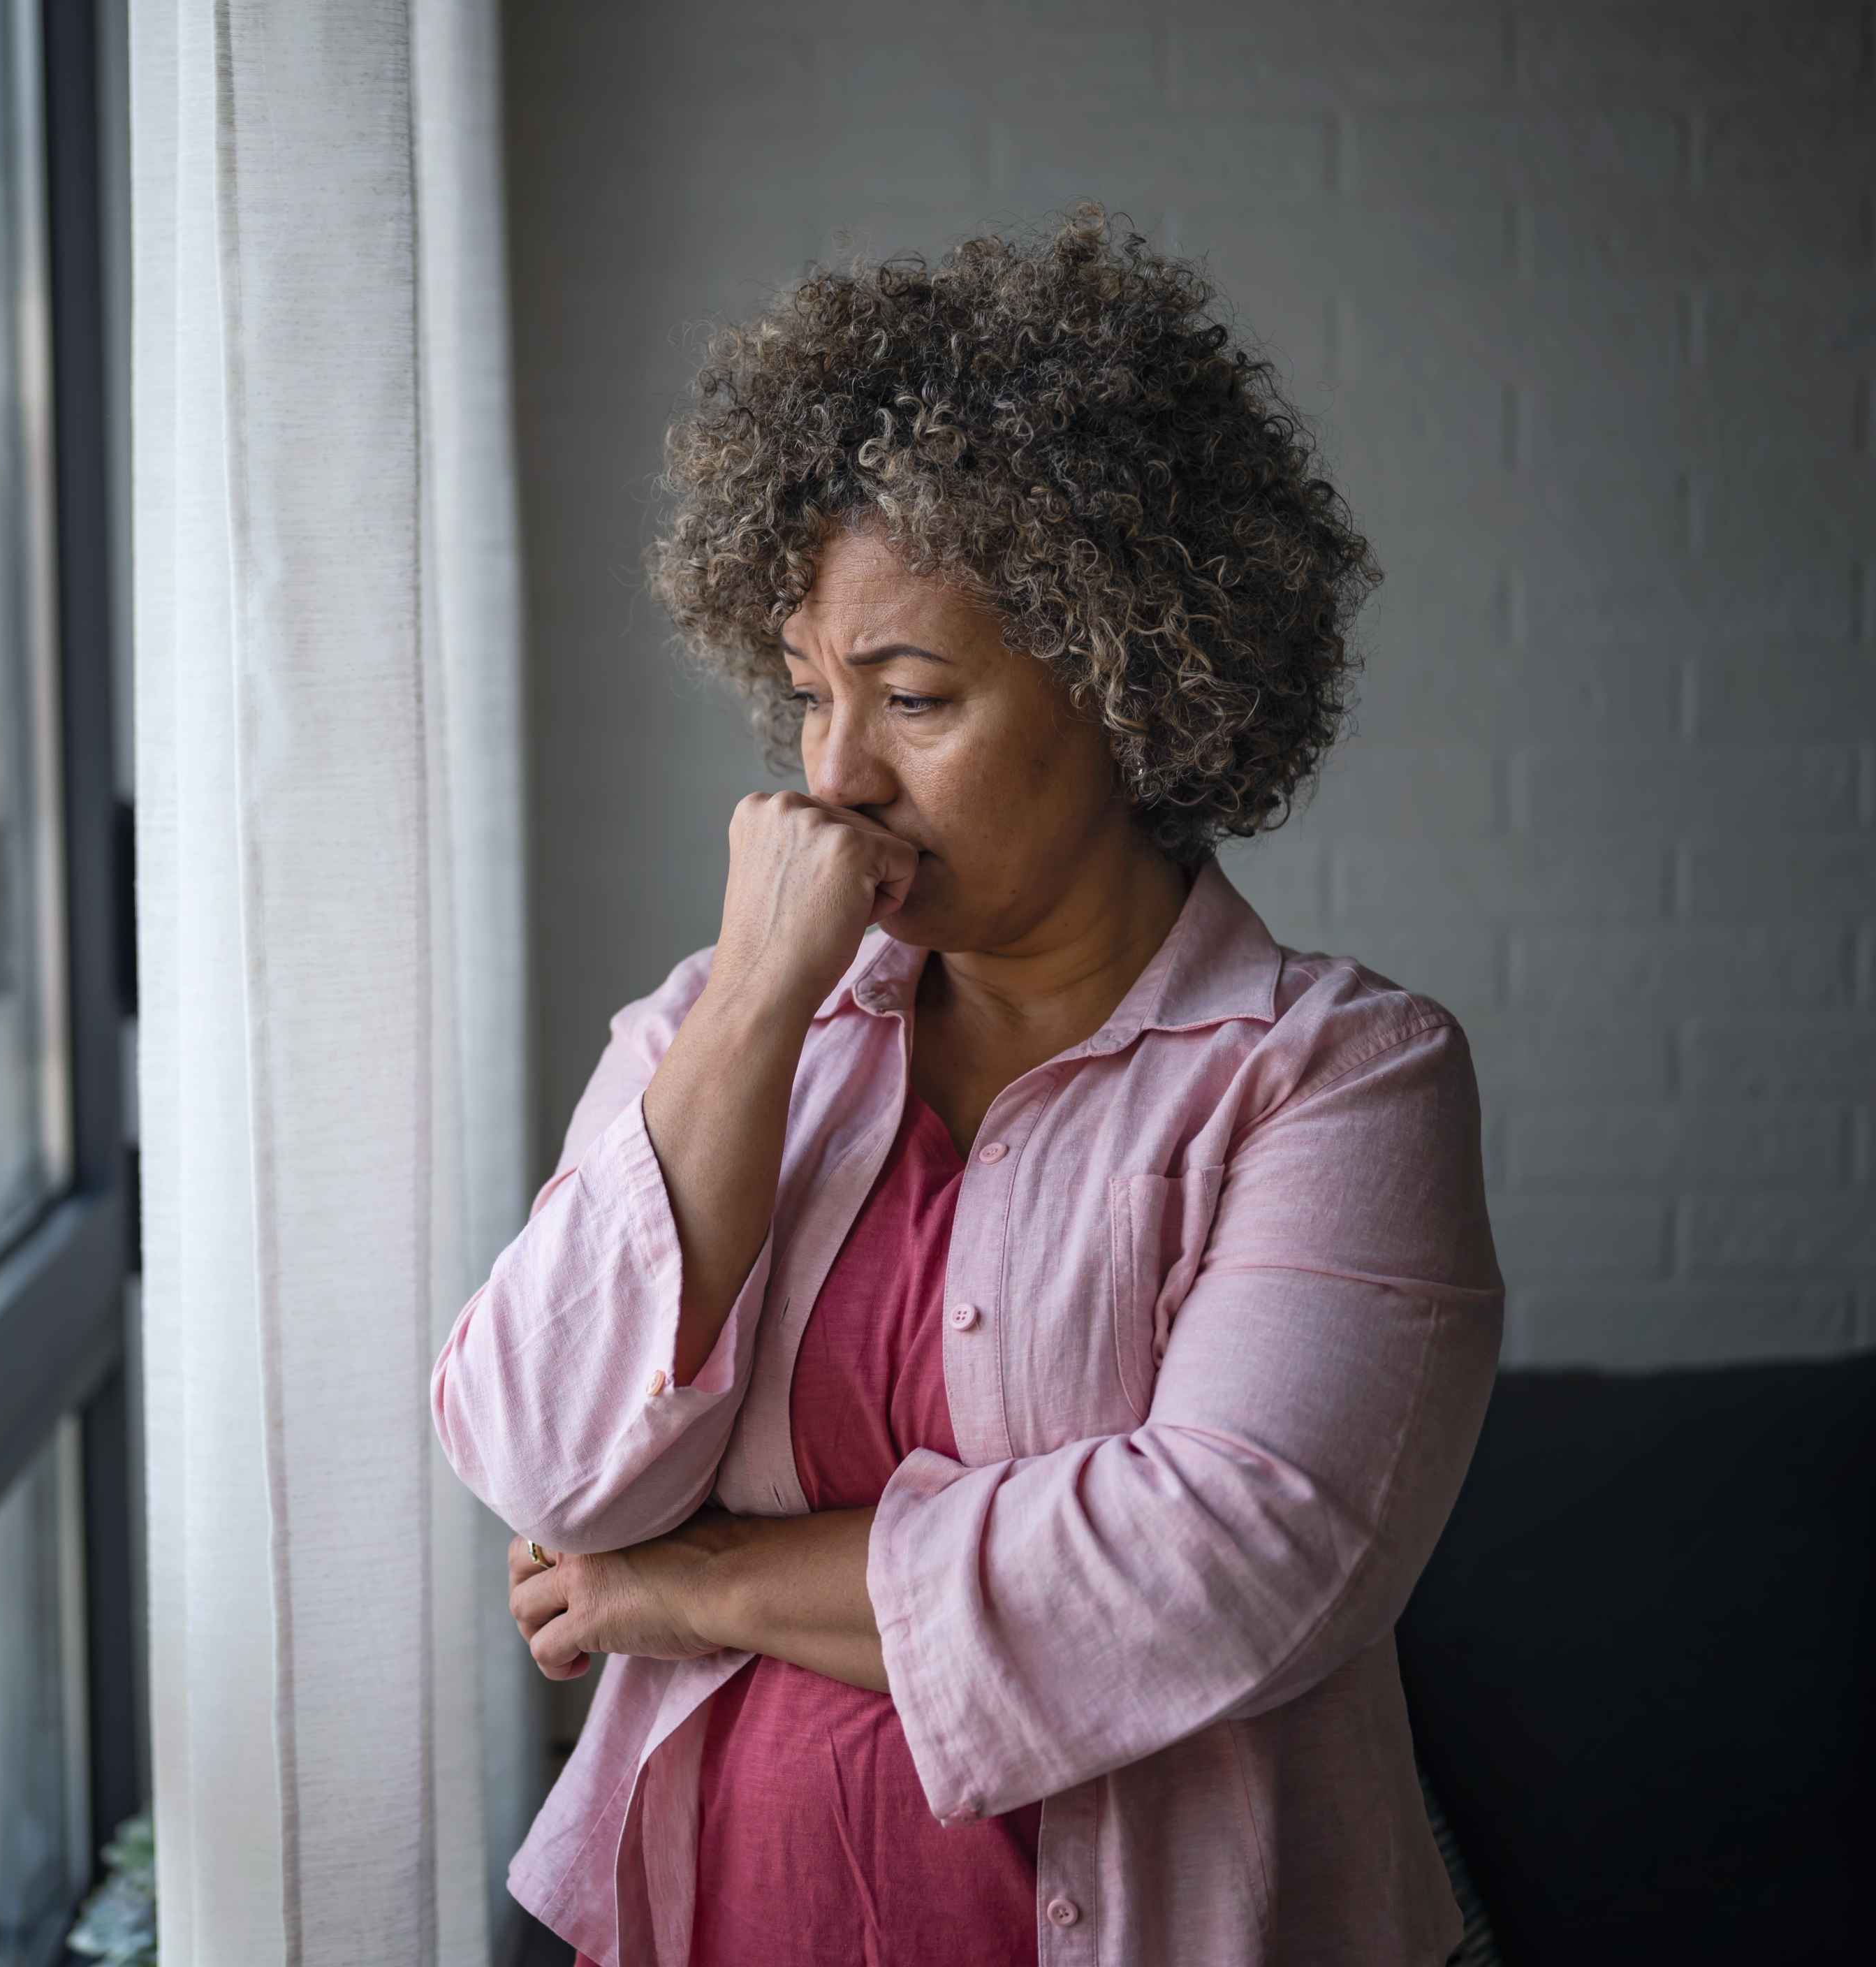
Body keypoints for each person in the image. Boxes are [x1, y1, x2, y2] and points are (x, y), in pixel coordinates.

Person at [427, 203, 1504, 1967]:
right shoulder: (725, 1029)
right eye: (800, 696)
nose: (830, 776)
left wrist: (694, 1582)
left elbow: (1214, 1568)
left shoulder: (1336, 1079)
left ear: (1126, 681)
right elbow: (547, 1464)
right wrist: (757, 1006)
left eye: (910, 697)